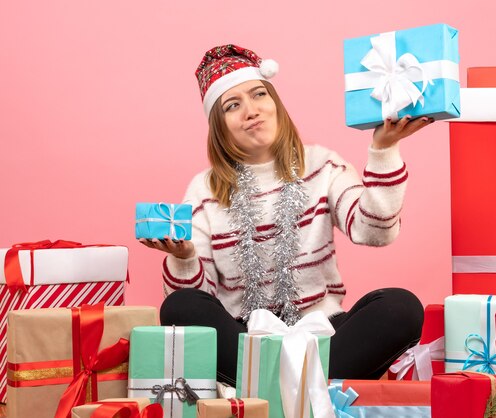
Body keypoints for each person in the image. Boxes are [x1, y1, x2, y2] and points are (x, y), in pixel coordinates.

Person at [140, 44, 432, 387]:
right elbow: (196, 296)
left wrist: (383, 151)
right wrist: (185, 257)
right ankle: (305, 386)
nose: (250, 111)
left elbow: (375, 231)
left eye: (258, 95)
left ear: (276, 104)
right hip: (244, 338)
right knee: (181, 306)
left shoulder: (323, 164)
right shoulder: (203, 190)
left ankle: (269, 387)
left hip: (323, 333)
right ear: (219, 126)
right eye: (232, 106)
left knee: (401, 307)